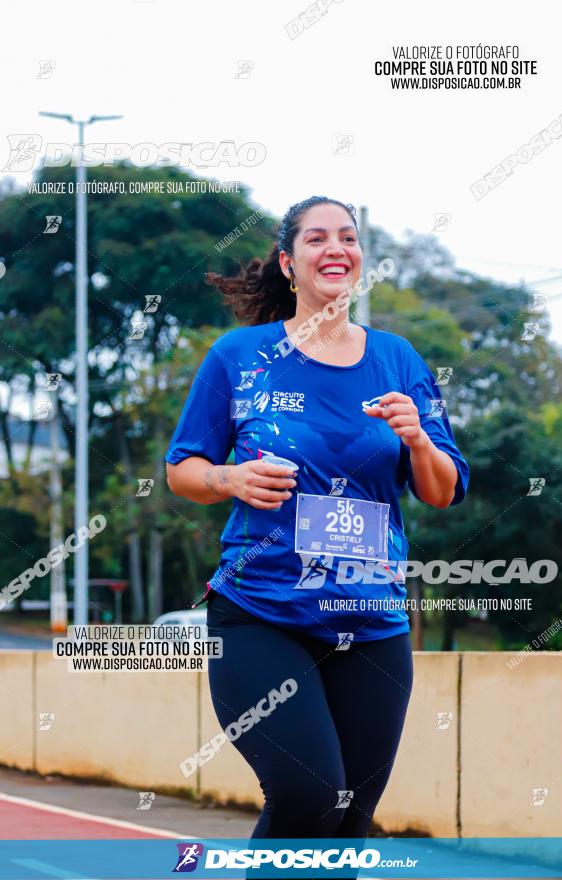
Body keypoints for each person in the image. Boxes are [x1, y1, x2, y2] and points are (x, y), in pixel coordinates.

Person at [165, 196, 469, 847]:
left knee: (348, 823)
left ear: (359, 258)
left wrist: (417, 440)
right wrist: (230, 477)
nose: (336, 247)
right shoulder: (239, 355)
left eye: (348, 237)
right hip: (259, 612)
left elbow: (442, 492)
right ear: (287, 261)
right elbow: (182, 467)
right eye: (316, 238)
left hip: (371, 621)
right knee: (307, 796)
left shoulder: (397, 359)